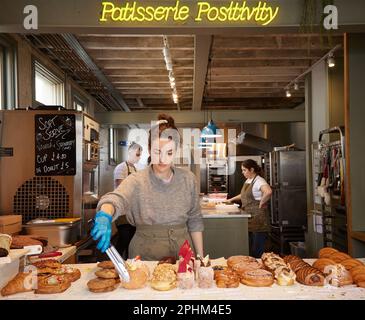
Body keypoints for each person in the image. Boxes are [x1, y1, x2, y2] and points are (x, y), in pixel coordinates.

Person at [91, 114, 204, 260]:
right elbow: (116, 198)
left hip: (182, 252)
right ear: (150, 149)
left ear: (176, 151)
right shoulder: (137, 180)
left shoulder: (188, 179)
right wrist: (105, 215)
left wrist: (201, 257)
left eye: (169, 152)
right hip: (145, 253)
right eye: (158, 152)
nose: (163, 159)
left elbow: (195, 220)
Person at [227, 159, 272, 258]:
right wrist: (231, 200)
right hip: (249, 217)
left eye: (244, 170)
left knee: (257, 249)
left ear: (251, 169)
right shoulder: (249, 180)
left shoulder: (259, 180)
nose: (243, 173)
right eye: (242, 170)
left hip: (258, 219)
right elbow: (243, 195)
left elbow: (268, 192)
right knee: (251, 248)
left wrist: (261, 203)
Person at [113, 141, 143, 259]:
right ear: (130, 152)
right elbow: (121, 189)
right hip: (122, 212)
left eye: (140, 154)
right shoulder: (121, 168)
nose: (139, 157)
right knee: (124, 240)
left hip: (132, 212)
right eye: (137, 154)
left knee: (131, 241)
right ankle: (116, 262)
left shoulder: (134, 168)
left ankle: (128, 264)